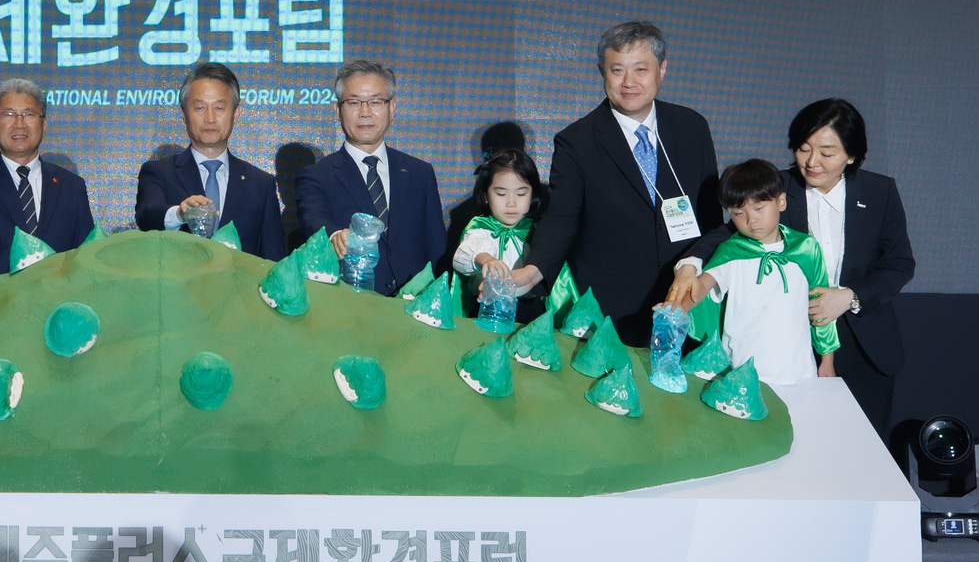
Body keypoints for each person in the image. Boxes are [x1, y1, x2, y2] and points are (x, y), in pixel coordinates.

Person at [669, 97, 914, 436]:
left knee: (861, 453)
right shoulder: (777, 187)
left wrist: (849, 297)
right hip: (790, 346)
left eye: (827, 153)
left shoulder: (880, 191)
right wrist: (690, 265)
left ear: (852, 155)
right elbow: (725, 233)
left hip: (864, 347)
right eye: (802, 149)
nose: (812, 162)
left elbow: (899, 264)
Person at [515, 21, 720, 344]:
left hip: (684, 303)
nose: (629, 83)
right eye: (617, 70)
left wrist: (699, 269)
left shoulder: (692, 128)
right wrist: (535, 268)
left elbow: (710, 218)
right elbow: (562, 218)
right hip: (609, 310)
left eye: (640, 69)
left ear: (662, 69)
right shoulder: (576, 141)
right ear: (601, 71)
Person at [675, 159, 839, 387]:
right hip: (739, 372)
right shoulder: (731, 252)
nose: (751, 220)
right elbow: (702, 286)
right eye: (738, 213)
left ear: (781, 201)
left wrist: (827, 360)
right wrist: (675, 309)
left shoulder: (807, 249)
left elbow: (821, 307)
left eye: (759, 208)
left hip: (800, 371)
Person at [295, 59, 448, 296]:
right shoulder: (316, 176)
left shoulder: (420, 173)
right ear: (338, 110)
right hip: (350, 308)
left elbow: (437, 247)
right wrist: (335, 235)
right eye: (354, 102)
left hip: (413, 310)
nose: (365, 112)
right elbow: (312, 219)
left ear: (392, 107)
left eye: (375, 102)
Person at [0, 78, 95, 275]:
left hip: (56, 300)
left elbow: (85, 253)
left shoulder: (72, 186)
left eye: (29, 114)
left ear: (44, 125)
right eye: (9, 114)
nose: (19, 124)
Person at [134, 60, 286, 259]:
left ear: (236, 113)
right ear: (184, 114)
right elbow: (147, 215)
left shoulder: (260, 184)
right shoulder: (159, 172)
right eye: (199, 108)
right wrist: (180, 214)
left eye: (219, 108)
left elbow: (273, 257)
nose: (210, 118)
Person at [450, 147, 547, 319]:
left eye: (521, 193)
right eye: (501, 193)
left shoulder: (536, 231)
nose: (511, 203)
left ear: (532, 195)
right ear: (486, 195)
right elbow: (463, 256)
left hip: (529, 310)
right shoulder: (481, 228)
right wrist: (485, 259)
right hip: (486, 307)